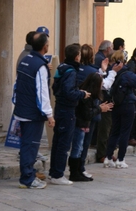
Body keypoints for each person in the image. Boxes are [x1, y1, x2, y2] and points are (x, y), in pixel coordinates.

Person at [13, 33, 55, 189]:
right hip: (33, 112)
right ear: (45, 47)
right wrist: (49, 114)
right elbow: (42, 92)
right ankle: (28, 178)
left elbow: (17, 85)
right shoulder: (40, 65)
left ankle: (27, 176)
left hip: (23, 109)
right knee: (31, 146)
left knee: (26, 145)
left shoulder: (25, 60)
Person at [49, 44, 91, 185]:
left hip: (59, 107)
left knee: (57, 142)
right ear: (77, 56)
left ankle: (53, 172)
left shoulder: (61, 67)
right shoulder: (71, 71)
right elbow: (69, 92)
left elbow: (55, 87)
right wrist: (82, 94)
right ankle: (58, 174)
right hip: (67, 110)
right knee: (64, 143)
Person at [103, 50, 136, 169]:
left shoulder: (109, 72)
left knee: (114, 131)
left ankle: (108, 157)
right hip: (127, 104)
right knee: (125, 132)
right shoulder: (127, 74)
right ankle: (120, 159)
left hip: (115, 104)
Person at [69, 73, 113, 181]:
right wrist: (99, 109)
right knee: (77, 148)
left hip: (83, 124)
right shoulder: (86, 96)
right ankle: (74, 173)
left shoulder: (90, 95)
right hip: (80, 124)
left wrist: (99, 108)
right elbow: (86, 113)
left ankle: (78, 171)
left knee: (80, 148)